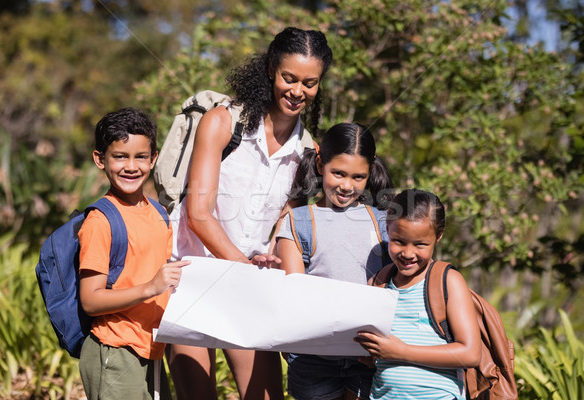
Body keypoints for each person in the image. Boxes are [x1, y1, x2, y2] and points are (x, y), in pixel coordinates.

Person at [167, 27, 334, 400]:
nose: (297, 91)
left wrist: (273, 255)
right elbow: (198, 213)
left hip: (250, 284)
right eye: (289, 78)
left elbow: (285, 223)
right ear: (272, 69)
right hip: (192, 277)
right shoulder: (223, 122)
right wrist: (244, 266)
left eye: (310, 83)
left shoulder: (308, 150)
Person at [77, 107, 190, 400]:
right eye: (119, 156)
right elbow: (91, 300)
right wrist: (151, 287)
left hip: (150, 348)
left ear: (153, 159)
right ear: (100, 160)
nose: (131, 166)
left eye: (140, 156)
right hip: (114, 350)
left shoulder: (159, 213)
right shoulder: (101, 221)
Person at [275, 122, 393, 400]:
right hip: (313, 358)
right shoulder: (299, 221)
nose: (346, 186)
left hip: (367, 357)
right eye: (337, 173)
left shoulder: (383, 222)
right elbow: (295, 291)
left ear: (371, 169)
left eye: (357, 177)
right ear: (319, 164)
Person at [355, 189, 481, 400]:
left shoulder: (448, 281)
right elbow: (378, 352)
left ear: (438, 237)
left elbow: (470, 353)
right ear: (387, 230)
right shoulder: (378, 283)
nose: (408, 253)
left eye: (420, 244)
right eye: (399, 241)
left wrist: (402, 352)